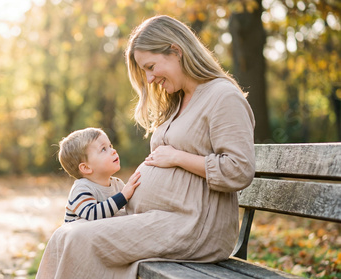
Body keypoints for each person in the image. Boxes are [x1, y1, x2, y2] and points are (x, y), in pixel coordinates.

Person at [36, 15, 255, 279]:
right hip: (157, 218)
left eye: (151, 66)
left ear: (176, 50)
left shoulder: (222, 96)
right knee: (64, 235)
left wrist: (177, 157)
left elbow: (239, 169)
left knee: (79, 238)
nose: (149, 79)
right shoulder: (179, 101)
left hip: (193, 225)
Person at [58, 127, 141, 222]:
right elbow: (92, 214)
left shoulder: (117, 184)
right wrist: (123, 196)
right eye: (103, 149)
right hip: (81, 235)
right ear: (86, 168)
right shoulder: (81, 189)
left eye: (111, 146)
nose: (113, 151)